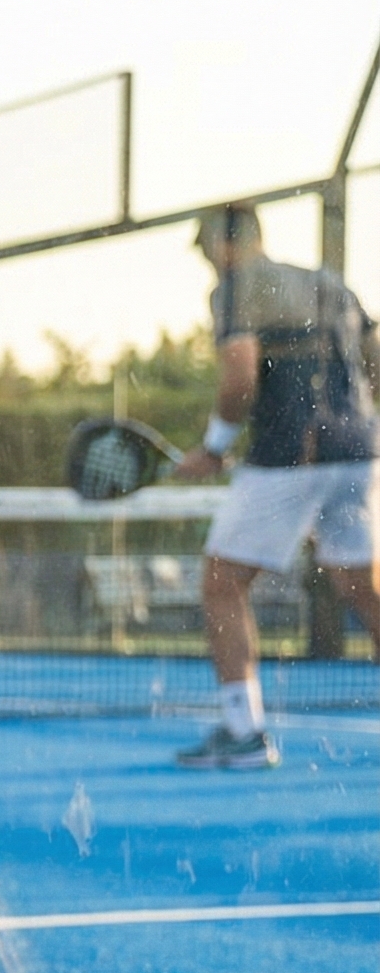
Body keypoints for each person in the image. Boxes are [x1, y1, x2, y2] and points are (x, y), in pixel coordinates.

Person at [171, 204, 380, 769]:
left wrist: (213, 448)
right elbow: (375, 363)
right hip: (359, 451)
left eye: (207, 249)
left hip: (289, 456)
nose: (209, 263)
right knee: (363, 587)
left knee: (222, 583)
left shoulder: (237, 288)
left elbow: (239, 372)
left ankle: (243, 735)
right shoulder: (331, 285)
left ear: (226, 243)